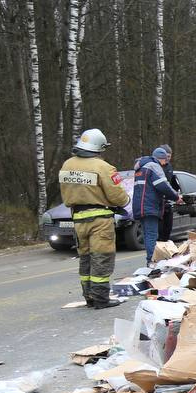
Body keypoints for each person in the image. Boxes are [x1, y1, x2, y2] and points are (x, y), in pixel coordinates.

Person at [57, 129, 129, 308]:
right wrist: (125, 201)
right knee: (101, 258)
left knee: (86, 258)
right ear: (99, 147)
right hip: (100, 220)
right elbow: (118, 196)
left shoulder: (67, 164)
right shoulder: (103, 167)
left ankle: (89, 296)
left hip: (78, 219)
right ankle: (101, 299)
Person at [133, 146, 181, 265]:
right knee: (152, 235)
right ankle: (152, 261)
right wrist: (176, 197)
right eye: (165, 160)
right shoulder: (154, 166)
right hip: (150, 206)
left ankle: (151, 259)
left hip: (140, 206)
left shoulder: (141, 167)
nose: (165, 163)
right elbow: (162, 186)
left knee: (147, 234)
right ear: (161, 159)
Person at [156, 144, 181, 244]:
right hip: (158, 202)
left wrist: (176, 193)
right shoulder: (155, 167)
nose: (168, 159)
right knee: (159, 230)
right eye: (166, 156)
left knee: (168, 227)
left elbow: (170, 183)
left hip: (168, 201)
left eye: (170, 157)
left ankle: (166, 246)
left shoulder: (169, 167)